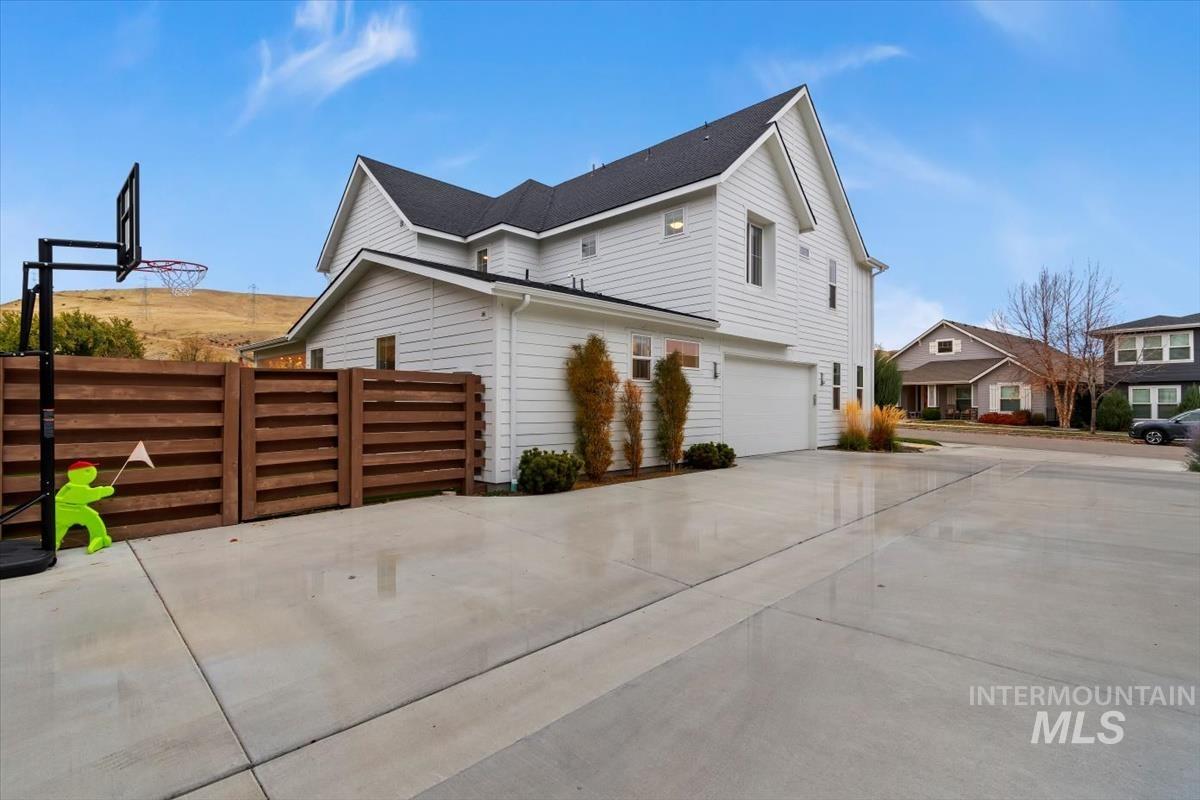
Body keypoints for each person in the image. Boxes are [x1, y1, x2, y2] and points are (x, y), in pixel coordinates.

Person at [55, 460, 115, 554]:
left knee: (60, 526)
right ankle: (100, 538)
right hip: (74, 509)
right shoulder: (77, 487)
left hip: (63, 509)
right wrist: (105, 491)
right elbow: (88, 494)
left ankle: (54, 541)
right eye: (88, 471)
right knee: (93, 520)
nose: (92, 473)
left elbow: (59, 497)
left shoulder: (68, 486)